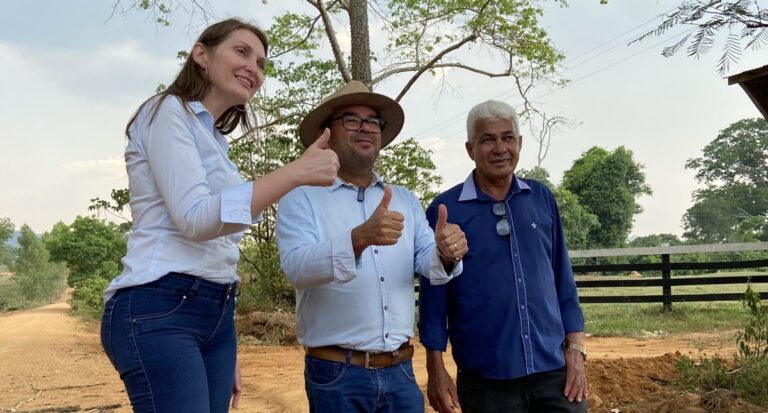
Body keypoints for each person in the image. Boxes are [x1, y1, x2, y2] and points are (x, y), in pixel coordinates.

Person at [100, 18, 340, 413]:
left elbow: (218, 250)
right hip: (158, 304)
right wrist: (297, 172)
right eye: (241, 52)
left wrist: (220, 340)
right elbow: (195, 219)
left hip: (214, 310)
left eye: (261, 63)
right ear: (201, 54)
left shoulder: (215, 141)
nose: (253, 68)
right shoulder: (166, 111)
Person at [275, 80, 468, 413]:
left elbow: (429, 262)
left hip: (401, 371)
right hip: (337, 375)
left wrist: (447, 253)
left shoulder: (404, 199)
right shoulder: (301, 196)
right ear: (326, 134)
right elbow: (296, 268)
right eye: (351, 119)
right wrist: (358, 239)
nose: (364, 128)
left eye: (373, 121)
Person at [418, 100, 588, 413]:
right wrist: (435, 368)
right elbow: (433, 299)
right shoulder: (445, 210)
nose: (500, 148)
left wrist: (576, 349)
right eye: (488, 139)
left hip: (554, 373)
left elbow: (562, 279)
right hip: (486, 380)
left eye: (508, 138)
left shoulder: (541, 198)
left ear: (519, 143)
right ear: (470, 149)